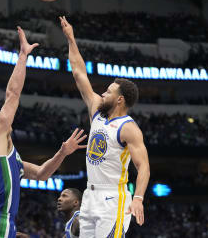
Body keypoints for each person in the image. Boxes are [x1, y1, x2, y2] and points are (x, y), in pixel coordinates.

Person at [0, 27, 87, 238]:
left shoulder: (12, 157)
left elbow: (42, 174)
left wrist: (63, 152)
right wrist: (23, 56)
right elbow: (12, 94)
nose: (2, 116)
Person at [60, 16, 151, 237]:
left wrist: (138, 198)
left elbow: (144, 167)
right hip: (90, 196)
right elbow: (78, 73)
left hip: (114, 199)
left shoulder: (128, 128)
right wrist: (71, 39)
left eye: (109, 92)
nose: (103, 93)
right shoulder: (97, 111)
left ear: (120, 100)